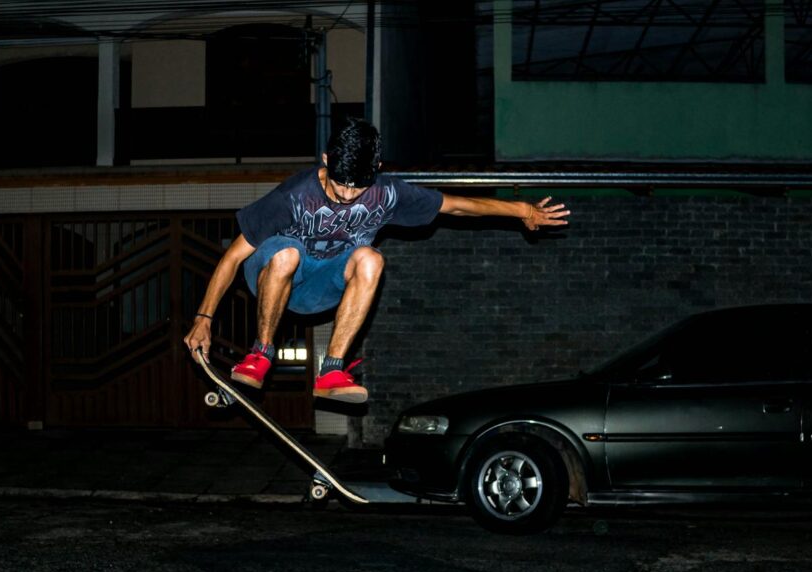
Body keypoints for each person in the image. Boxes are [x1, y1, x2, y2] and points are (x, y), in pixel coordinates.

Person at [183, 118, 569, 403]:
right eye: (339, 185)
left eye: (358, 186)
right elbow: (233, 257)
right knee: (287, 252)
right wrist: (204, 319)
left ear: (377, 172)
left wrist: (521, 210)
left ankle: (332, 368)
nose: (349, 195)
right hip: (272, 273)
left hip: (322, 288)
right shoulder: (293, 196)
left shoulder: (387, 194)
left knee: (371, 258)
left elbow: (457, 207)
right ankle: (261, 353)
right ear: (325, 160)